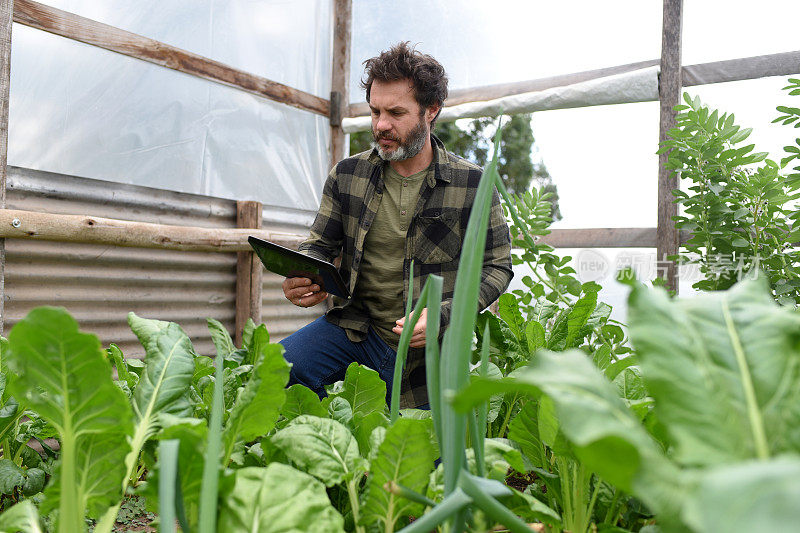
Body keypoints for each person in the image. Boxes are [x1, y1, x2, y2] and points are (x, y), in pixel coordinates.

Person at [279, 42, 512, 409]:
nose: (381, 125)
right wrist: (305, 273)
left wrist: (443, 314)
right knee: (275, 372)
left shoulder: (472, 185)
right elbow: (319, 244)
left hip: (429, 351)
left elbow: (496, 267)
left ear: (430, 111)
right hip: (355, 329)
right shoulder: (348, 175)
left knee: (428, 459)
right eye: (374, 111)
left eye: (396, 112)